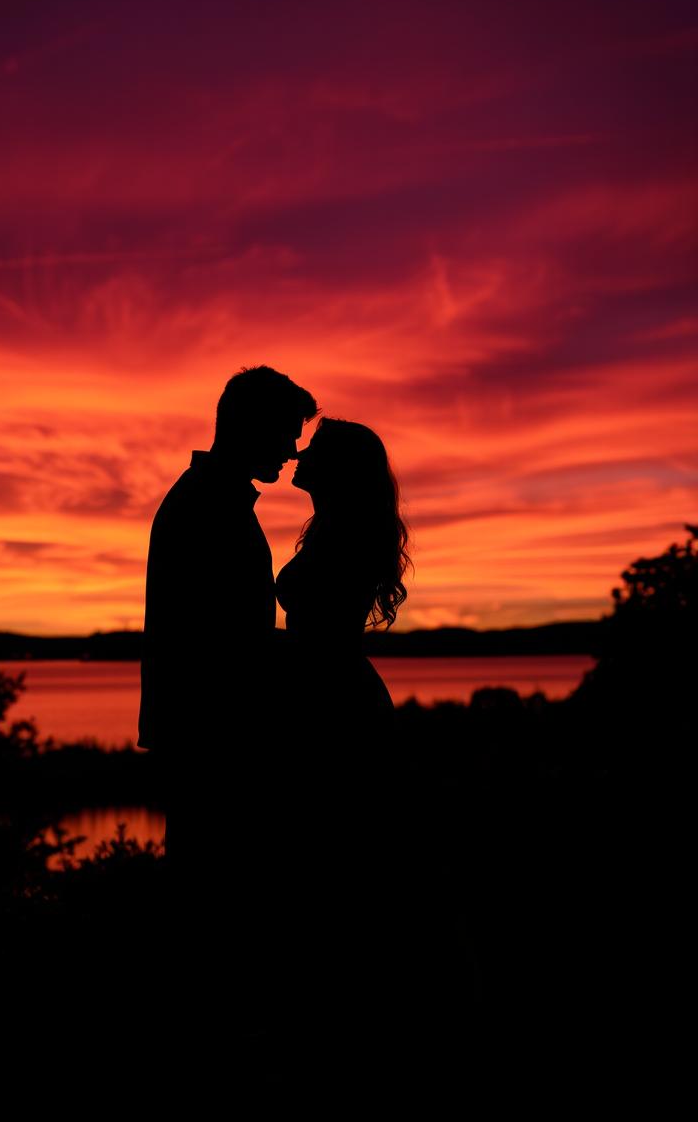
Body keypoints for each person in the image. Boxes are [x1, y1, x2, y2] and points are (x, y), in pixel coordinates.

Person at [137, 364, 317, 1026]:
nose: (292, 451)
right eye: (286, 435)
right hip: (214, 744)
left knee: (213, 908)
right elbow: (215, 645)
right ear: (252, 427)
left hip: (210, 740)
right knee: (214, 911)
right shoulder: (205, 510)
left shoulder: (210, 501)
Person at [274, 416, 411, 1047]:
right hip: (327, 694)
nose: (300, 452)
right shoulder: (332, 529)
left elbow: (321, 638)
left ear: (339, 468)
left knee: (336, 857)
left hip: (335, 703)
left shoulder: (348, 534)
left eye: (315, 448)